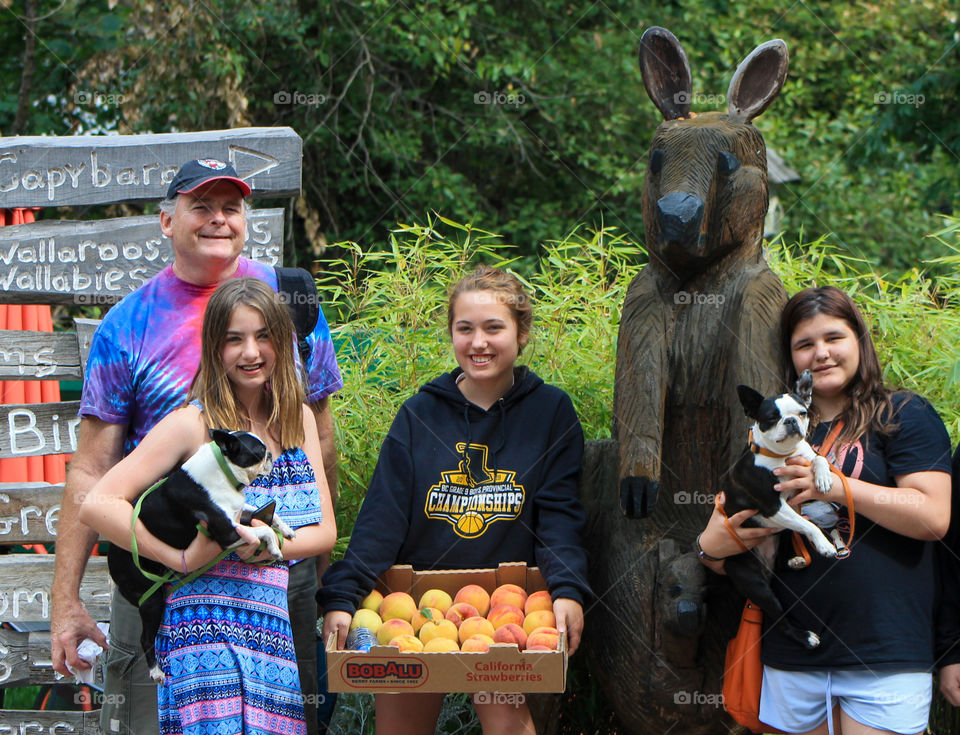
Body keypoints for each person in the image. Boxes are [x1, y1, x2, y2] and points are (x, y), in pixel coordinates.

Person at [50, 159, 343, 735]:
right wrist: (67, 600)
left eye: (230, 207)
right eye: (200, 206)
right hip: (166, 579)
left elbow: (321, 437)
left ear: (246, 220)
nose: (217, 220)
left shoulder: (290, 306)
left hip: (278, 575)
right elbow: (92, 473)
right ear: (166, 220)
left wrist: (316, 564)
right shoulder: (129, 325)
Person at [319, 265, 591, 735]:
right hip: (414, 601)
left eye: (494, 327)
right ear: (451, 332)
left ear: (521, 333)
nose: (478, 342)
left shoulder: (551, 412)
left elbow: (559, 518)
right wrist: (343, 596)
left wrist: (568, 590)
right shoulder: (419, 414)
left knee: (507, 724)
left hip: (510, 606)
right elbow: (381, 517)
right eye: (464, 328)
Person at [697, 286, 951, 735]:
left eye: (834, 338)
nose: (821, 353)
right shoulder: (771, 434)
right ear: (790, 356)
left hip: (883, 655)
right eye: (804, 344)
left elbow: (932, 517)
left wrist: (838, 487)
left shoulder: (904, 414)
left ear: (860, 341)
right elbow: (739, 536)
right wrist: (711, 549)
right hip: (792, 654)